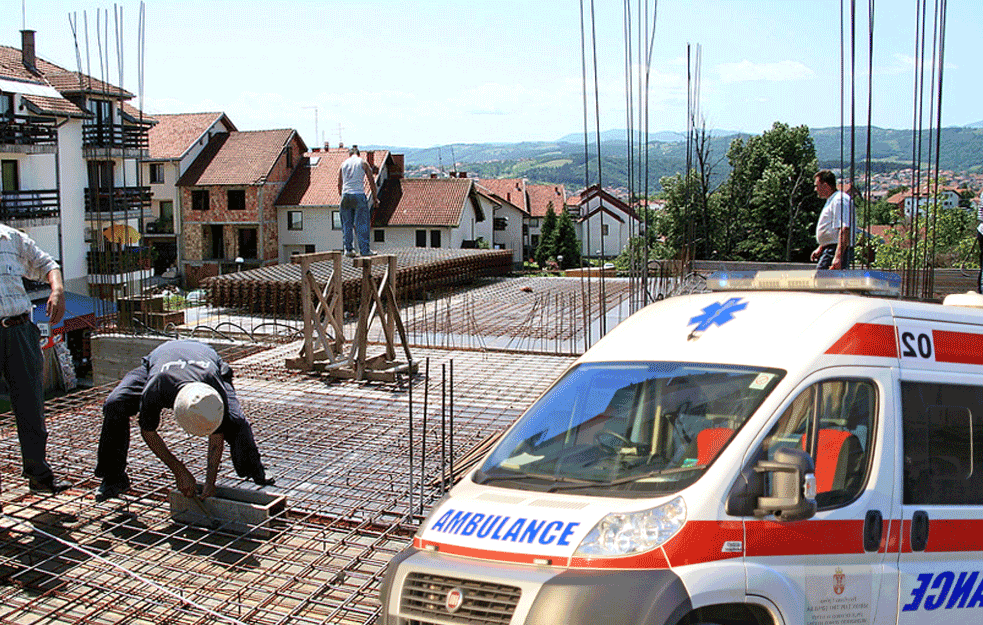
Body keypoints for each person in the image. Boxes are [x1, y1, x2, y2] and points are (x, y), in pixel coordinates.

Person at [95, 339, 273, 501]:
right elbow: (148, 431)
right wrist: (179, 470)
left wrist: (210, 482)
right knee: (114, 405)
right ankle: (113, 477)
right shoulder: (157, 386)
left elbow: (216, 435)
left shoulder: (212, 385)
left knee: (235, 421)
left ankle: (255, 470)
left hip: (205, 361)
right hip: (160, 361)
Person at [0, 224, 68, 494]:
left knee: (30, 406)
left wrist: (58, 289)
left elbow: (47, 264)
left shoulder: (10, 238)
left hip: (18, 330)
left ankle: (38, 474)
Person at [337, 145, 379, 257]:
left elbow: (339, 183)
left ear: (349, 155)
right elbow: (371, 181)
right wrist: (375, 198)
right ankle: (364, 250)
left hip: (346, 195)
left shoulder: (343, 164)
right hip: (359, 194)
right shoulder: (363, 163)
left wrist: (342, 196)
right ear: (359, 154)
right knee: (362, 223)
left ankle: (348, 250)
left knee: (347, 224)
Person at [811, 170, 855, 270]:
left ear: (825, 185)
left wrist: (838, 257)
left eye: (816, 186)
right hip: (831, 248)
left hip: (836, 249)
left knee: (823, 281)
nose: (815, 189)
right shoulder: (832, 200)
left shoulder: (839, 200)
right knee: (824, 281)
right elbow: (832, 229)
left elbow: (844, 229)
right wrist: (822, 247)